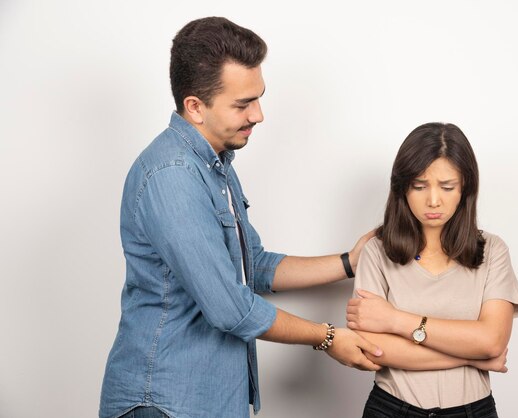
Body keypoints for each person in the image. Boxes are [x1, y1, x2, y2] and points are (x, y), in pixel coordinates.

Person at [99, 17, 382, 418]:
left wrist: (348, 263)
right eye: (243, 104)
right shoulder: (172, 177)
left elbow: (255, 268)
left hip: (207, 401)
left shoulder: (216, 165)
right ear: (195, 107)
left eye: (259, 97)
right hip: (165, 402)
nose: (259, 115)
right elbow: (231, 307)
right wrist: (327, 337)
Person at [346, 122, 518, 418]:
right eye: (419, 186)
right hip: (391, 408)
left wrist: (395, 320)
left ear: (465, 188)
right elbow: (373, 349)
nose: (433, 200)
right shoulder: (376, 252)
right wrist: (473, 357)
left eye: (447, 187)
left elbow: (492, 341)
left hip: (472, 410)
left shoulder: (493, 251)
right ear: (402, 187)